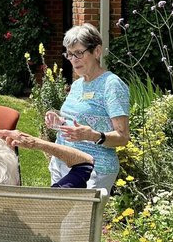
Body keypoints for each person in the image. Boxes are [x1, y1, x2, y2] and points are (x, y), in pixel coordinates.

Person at [46, 23, 130, 194]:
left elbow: (123, 137)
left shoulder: (111, 84)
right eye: (70, 54)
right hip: (62, 161)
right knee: (57, 217)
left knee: (78, 221)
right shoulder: (77, 85)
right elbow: (74, 121)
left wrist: (92, 136)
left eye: (79, 53)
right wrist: (59, 121)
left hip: (92, 168)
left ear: (97, 51)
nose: (73, 59)